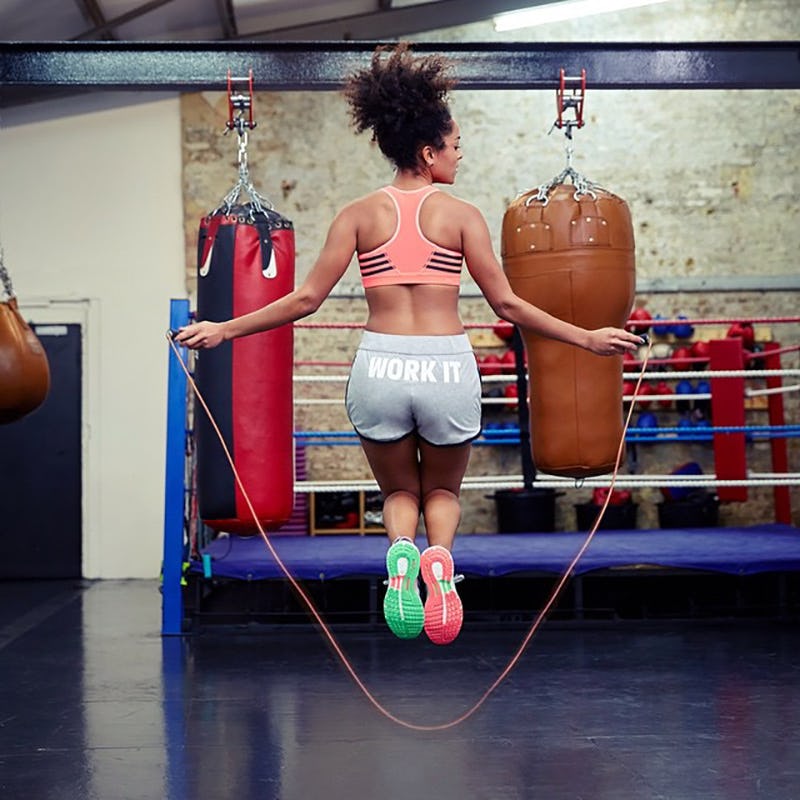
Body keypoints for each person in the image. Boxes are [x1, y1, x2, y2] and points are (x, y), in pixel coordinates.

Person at [176, 43, 643, 646]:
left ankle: (401, 555)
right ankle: (439, 562)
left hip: (381, 366)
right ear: (428, 152)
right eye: (454, 145)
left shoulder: (357, 215)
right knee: (441, 491)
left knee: (399, 491)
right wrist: (587, 337)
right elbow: (508, 306)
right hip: (446, 367)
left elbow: (305, 300)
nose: (460, 154)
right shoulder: (462, 216)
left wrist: (224, 328)